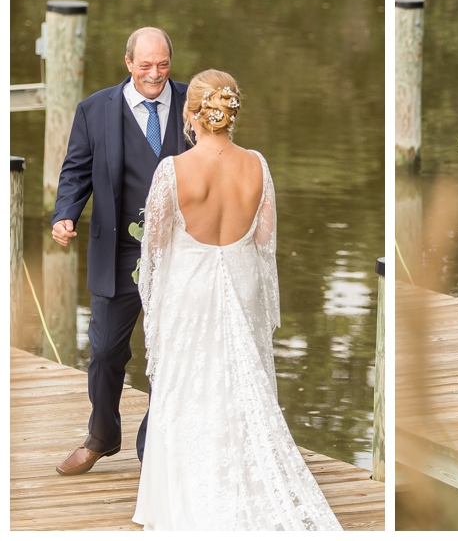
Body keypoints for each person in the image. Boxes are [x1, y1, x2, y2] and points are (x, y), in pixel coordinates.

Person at [132, 70, 342, 531]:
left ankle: (182, 498)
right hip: (243, 281)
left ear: (193, 115)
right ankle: (246, 480)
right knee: (238, 384)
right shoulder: (257, 165)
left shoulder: (173, 170)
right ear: (230, 112)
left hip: (190, 289)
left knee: (188, 385)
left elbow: (155, 248)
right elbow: (263, 240)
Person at [52, 28, 189, 476]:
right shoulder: (95, 109)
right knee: (106, 352)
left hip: (181, 252)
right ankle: (103, 434)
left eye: (163, 64)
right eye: (146, 65)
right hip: (118, 251)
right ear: (128, 63)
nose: (155, 74)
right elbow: (76, 170)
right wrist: (65, 213)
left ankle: (154, 444)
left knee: (172, 350)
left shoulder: (194, 102)